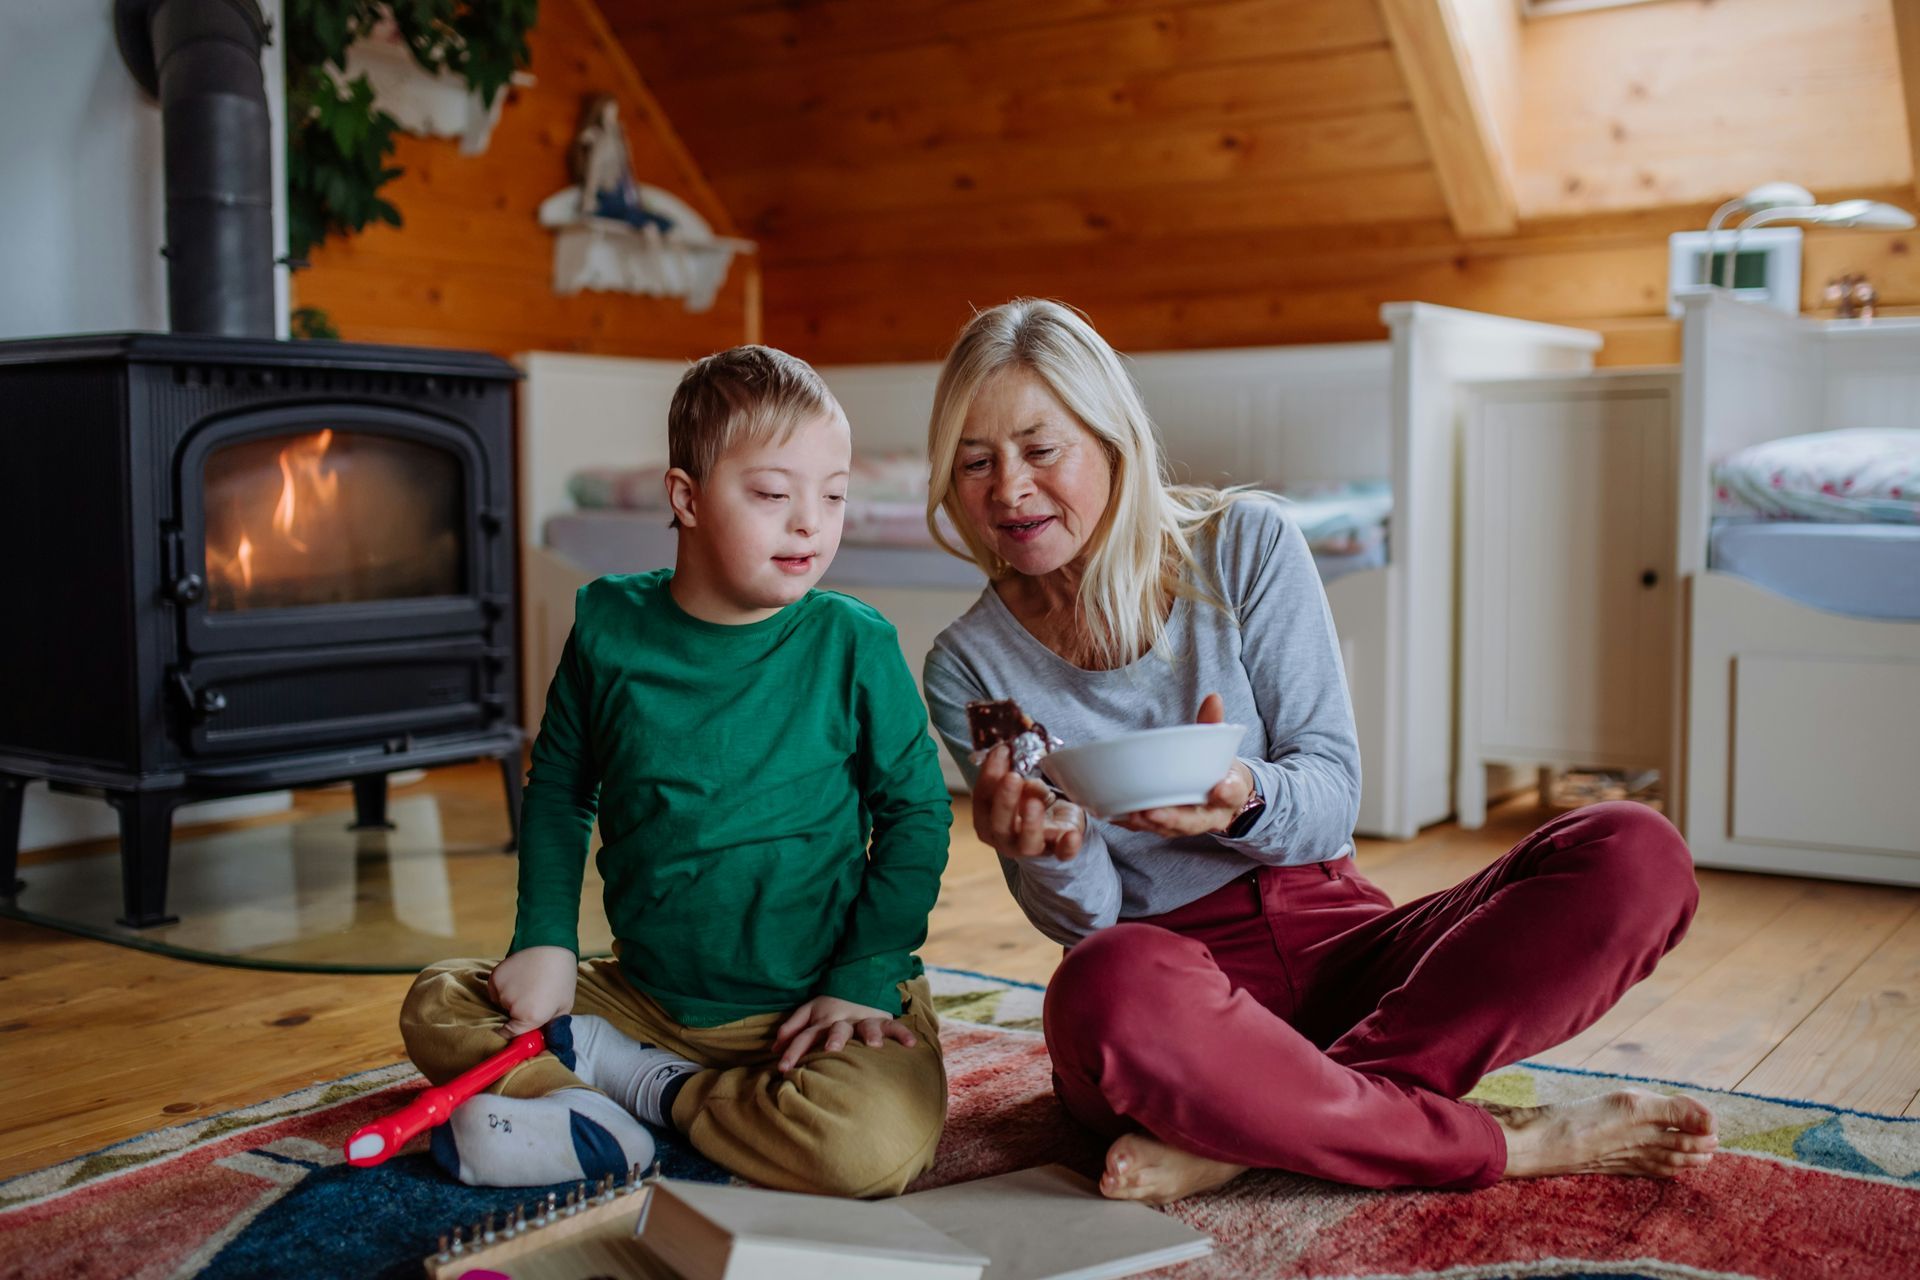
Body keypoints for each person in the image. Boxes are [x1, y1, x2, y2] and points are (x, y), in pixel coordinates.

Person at [920, 299, 1717, 1206]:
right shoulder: (969, 664)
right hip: (1169, 998)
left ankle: (1258, 1132)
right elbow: (1093, 922)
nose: (1009, 489)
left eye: (1039, 448)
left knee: (1635, 850)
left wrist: (1245, 798)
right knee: (1101, 984)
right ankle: (1502, 1145)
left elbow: (1332, 796)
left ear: (1111, 439)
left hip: (1342, 943)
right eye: (975, 463)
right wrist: (1049, 852)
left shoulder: (1247, 545)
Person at [402, 345, 953, 1196]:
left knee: (871, 1150)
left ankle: (647, 1093)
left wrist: (863, 978)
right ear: (686, 498)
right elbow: (558, 788)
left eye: (835, 495)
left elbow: (919, 815)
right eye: (774, 494)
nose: (811, 521)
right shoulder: (607, 629)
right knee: (440, 1001)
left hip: (820, 1004)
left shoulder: (854, 644)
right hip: (649, 1001)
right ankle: (610, 1093)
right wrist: (545, 938)